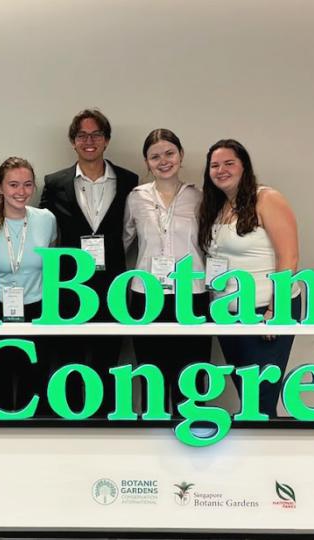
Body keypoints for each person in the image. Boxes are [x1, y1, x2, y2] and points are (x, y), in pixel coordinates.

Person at [40, 109, 139, 415]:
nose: (89, 141)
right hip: (68, 288)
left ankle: (105, 424)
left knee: (107, 360)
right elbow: (42, 229)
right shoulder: (55, 182)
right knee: (68, 360)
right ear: (73, 142)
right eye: (82, 135)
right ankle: (70, 426)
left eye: (96, 134)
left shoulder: (128, 180)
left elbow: (131, 230)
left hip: (112, 286)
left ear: (106, 140)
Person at [197, 139, 301, 417]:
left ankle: (266, 457)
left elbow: (289, 258)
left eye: (229, 163)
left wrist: (275, 310)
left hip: (264, 310)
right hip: (228, 313)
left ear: (244, 166)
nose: (221, 170)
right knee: (247, 394)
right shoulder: (218, 207)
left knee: (260, 399)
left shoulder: (267, 198)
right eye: (215, 165)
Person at [123, 129, 209, 413]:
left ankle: (192, 434)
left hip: (191, 294)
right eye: (155, 156)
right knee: (151, 371)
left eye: (169, 153)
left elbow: (212, 243)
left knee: (192, 373)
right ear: (147, 162)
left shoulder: (199, 197)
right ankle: (154, 435)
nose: (163, 161)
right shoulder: (136, 197)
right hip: (147, 295)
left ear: (181, 155)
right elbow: (123, 242)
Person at [0, 157, 57, 414]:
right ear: (0, 187)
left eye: (27, 185)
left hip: (38, 311)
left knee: (36, 381)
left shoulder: (46, 219)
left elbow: (49, 259)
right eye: (13, 184)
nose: (21, 192)